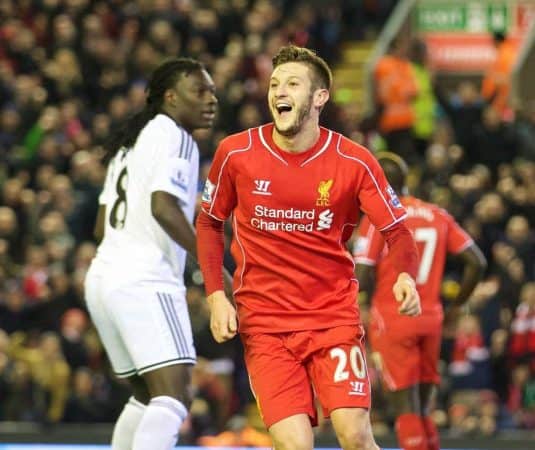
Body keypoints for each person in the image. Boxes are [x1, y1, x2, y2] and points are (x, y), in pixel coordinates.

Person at [196, 44, 421, 450]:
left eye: (293, 84)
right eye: (275, 84)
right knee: (295, 446)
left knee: (355, 435)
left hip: (332, 318)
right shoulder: (236, 153)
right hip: (265, 325)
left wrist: (404, 273)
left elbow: (398, 230)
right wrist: (215, 295)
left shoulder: (355, 162)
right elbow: (210, 221)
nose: (280, 92)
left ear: (319, 98)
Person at [84, 57, 217, 450]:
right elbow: (164, 208)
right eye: (200, 91)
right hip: (145, 279)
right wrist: (214, 271)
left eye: (213, 91)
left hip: (104, 278)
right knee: (174, 397)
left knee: (147, 395)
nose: (211, 99)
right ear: (172, 97)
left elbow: (99, 225)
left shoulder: (131, 141)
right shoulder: (176, 137)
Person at [354, 152, 487, 450]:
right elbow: (476, 263)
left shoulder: (377, 219)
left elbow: (361, 273)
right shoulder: (437, 214)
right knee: (425, 408)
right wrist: (455, 308)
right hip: (431, 316)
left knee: (405, 407)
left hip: (393, 317)